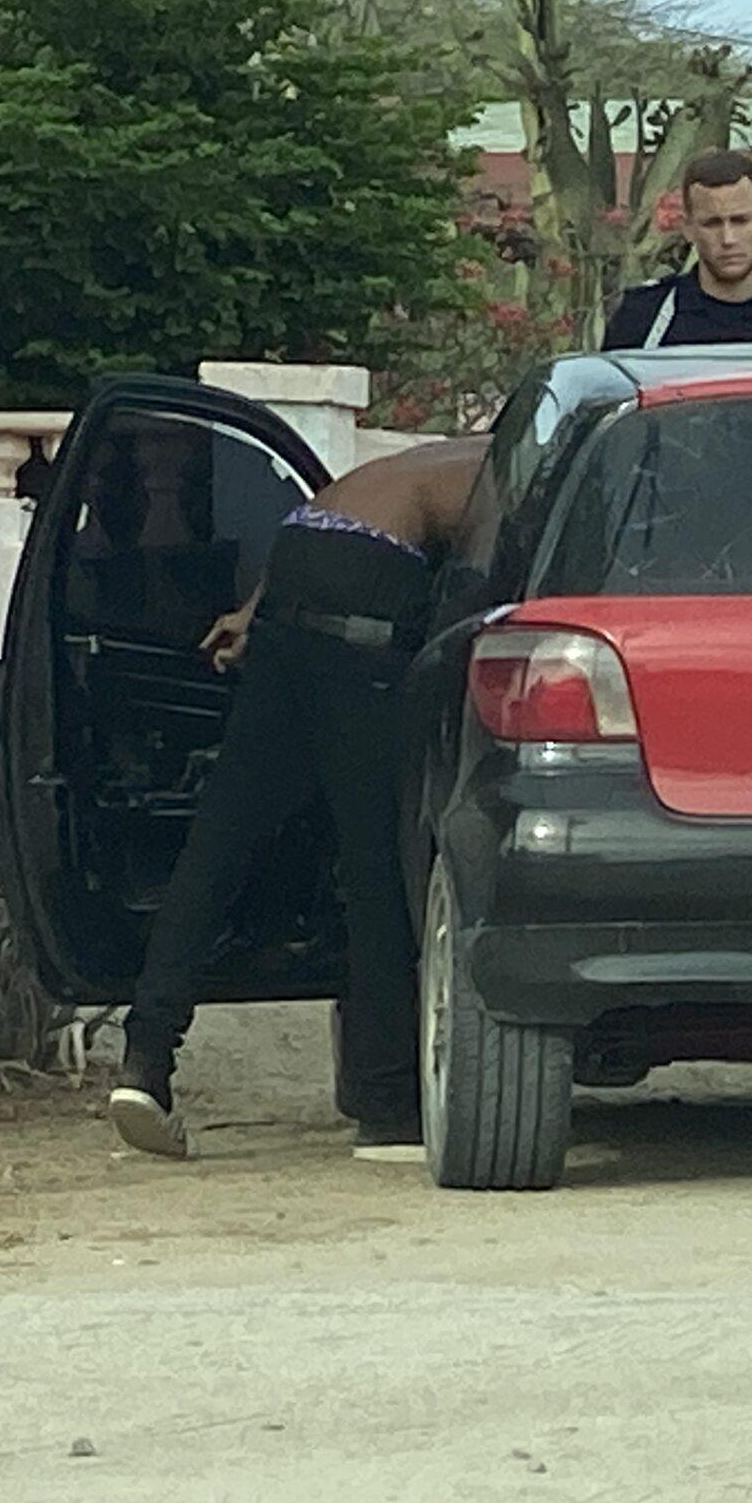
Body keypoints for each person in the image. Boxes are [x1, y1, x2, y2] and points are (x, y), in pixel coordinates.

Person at [108, 436, 489, 1163]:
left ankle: (145, 1059)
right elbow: (485, 593)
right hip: (362, 611)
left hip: (293, 576)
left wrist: (253, 615)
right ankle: (386, 1103)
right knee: (378, 866)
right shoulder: (504, 471)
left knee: (218, 844)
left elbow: (315, 522)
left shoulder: (418, 462)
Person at [601, 149, 752, 348]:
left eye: (740, 221)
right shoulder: (641, 318)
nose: (728, 238)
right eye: (712, 223)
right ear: (688, 228)